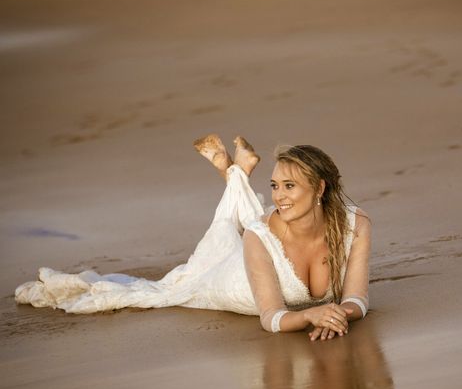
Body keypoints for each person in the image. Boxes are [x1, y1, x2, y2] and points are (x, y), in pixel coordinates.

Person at [15, 135, 370, 340]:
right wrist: (310, 316)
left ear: (320, 187)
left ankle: (235, 172)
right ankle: (235, 172)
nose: (278, 195)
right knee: (175, 286)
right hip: (230, 283)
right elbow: (271, 318)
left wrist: (338, 313)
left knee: (255, 223)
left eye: (290, 186)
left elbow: (357, 299)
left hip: (266, 241)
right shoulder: (259, 238)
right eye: (275, 185)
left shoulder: (356, 226)